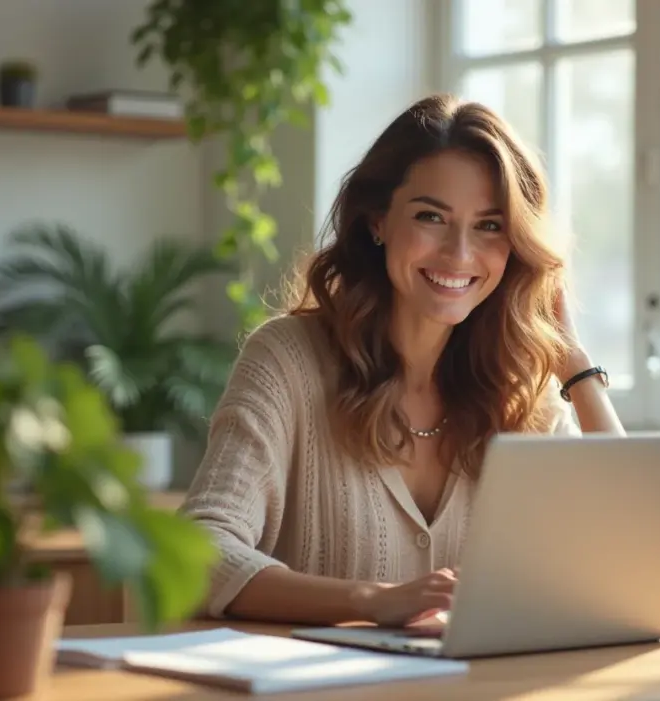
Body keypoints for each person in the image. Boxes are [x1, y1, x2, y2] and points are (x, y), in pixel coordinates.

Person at [180, 93, 625, 628]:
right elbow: (198, 553)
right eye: (431, 217)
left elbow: (628, 555)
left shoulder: (522, 392)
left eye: (489, 225)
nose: (459, 254)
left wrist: (574, 366)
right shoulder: (286, 361)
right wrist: (371, 599)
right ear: (377, 222)